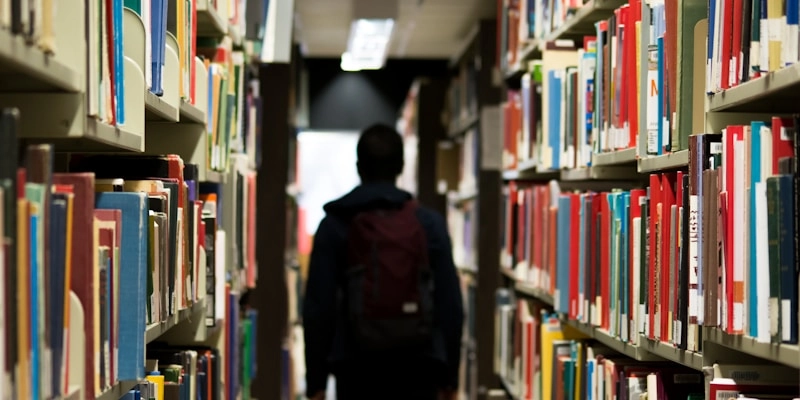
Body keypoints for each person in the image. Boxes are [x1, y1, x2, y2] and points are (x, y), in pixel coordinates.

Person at [303, 124, 464, 400]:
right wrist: (449, 378)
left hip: (355, 369)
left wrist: (316, 381)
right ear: (401, 166)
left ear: (358, 166)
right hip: (418, 366)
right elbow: (450, 304)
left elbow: (319, 307)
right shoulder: (429, 224)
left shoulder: (334, 225)